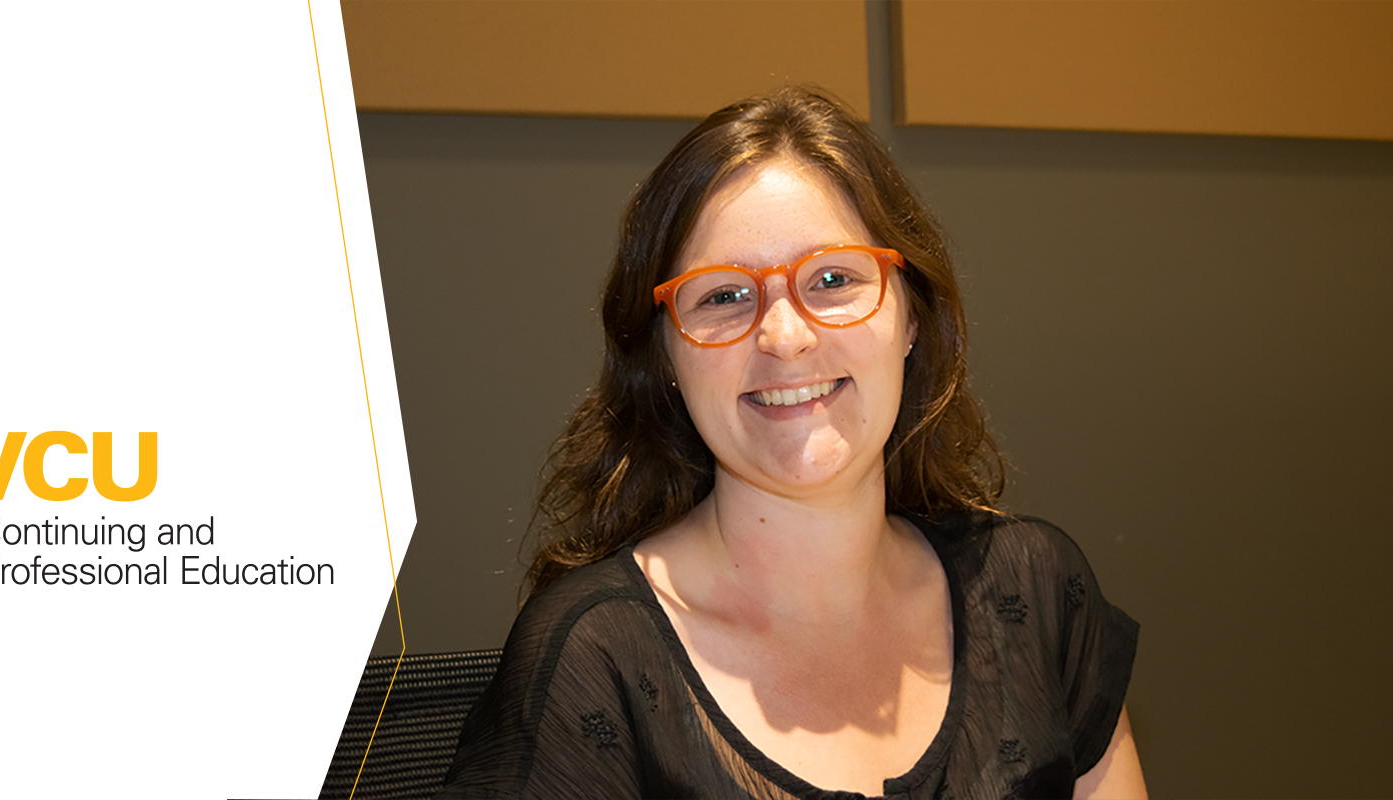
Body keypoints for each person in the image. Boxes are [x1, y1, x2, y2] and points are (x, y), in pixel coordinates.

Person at [439, 86, 1143, 799]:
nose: (785, 337)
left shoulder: (1037, 591)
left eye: (833, 279)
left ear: (911, 320)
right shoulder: (594, 660)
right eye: (723, 296)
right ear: (666, 359)